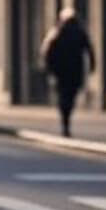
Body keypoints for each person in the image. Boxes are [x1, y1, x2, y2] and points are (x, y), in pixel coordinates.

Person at [41, 8, 96, 137]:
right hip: (75, 70)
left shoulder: (56, 32)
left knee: (63, 96)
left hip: (61, 71)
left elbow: (47, 52)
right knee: (70, 96)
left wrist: (49, 69)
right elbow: (89, 50)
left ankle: (65, 120)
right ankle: (66, 118)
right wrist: (92, 66)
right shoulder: (80, 32)